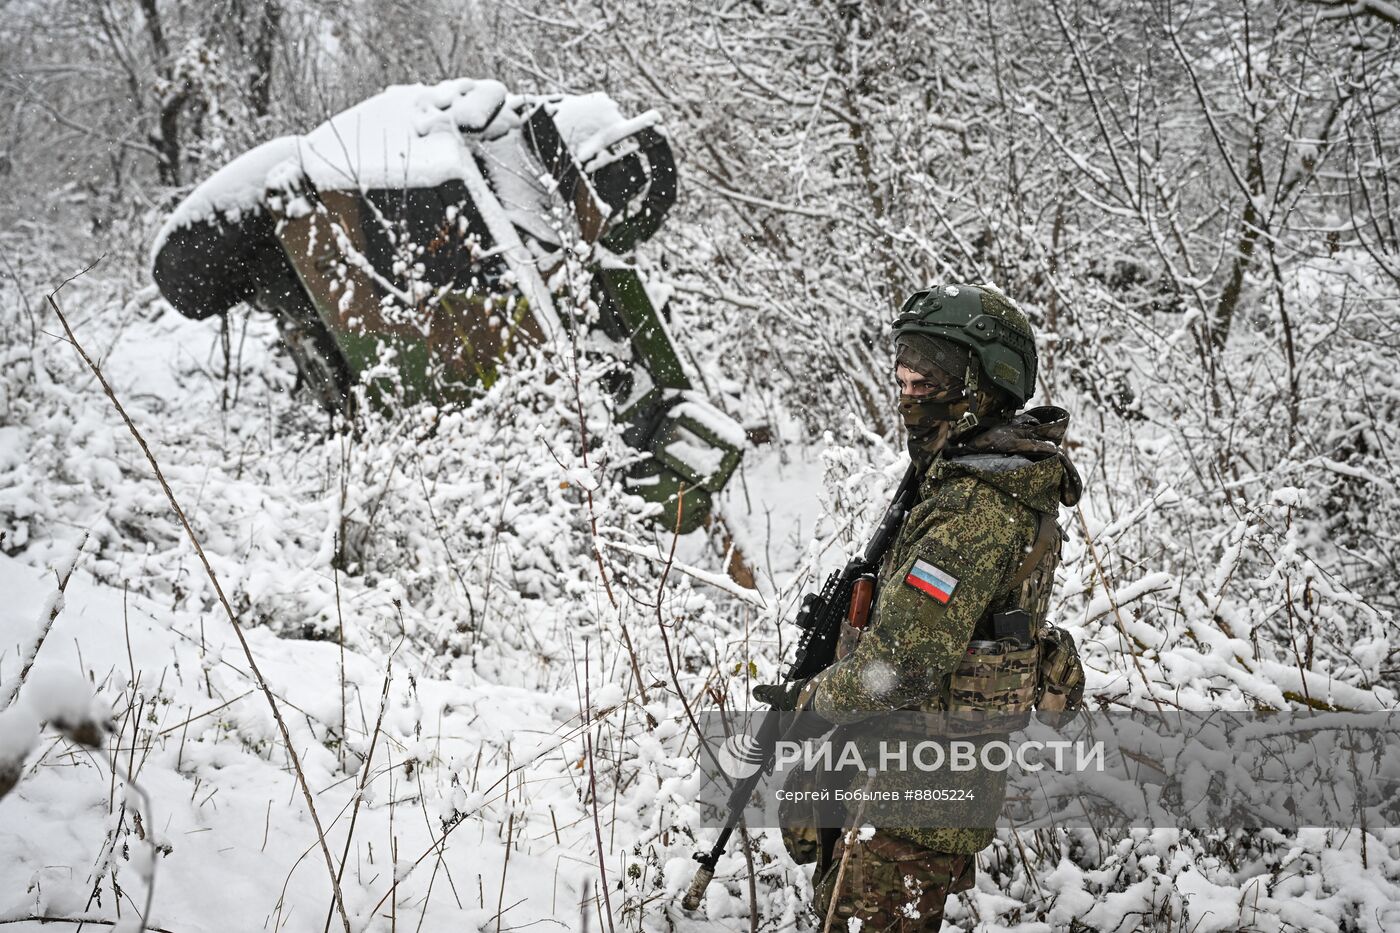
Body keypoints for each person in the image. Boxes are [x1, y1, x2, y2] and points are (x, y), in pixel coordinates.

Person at [754, 283, 1083, 931]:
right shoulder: (959, 476)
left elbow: (901, 666)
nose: (908, 386)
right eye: (903, 369)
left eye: (927, 373)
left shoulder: (973, 508)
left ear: (985, 379)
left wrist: (813, 700)